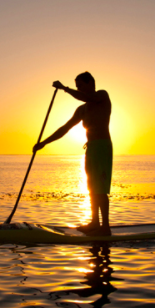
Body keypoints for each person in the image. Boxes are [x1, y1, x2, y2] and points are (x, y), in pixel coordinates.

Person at [33, 72, 113, 236]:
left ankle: (105, 227)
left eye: (80, 86)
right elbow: (64, 129)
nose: (79, 90)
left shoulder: (102, 96)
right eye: (77, 87)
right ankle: (94, 222)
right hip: (90, 148)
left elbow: (86, 97)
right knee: (92, 187)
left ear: (90, 82)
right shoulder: (82, 110)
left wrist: (64, 88)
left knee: (100, 188)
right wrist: (43, 143)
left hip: (102, 147)